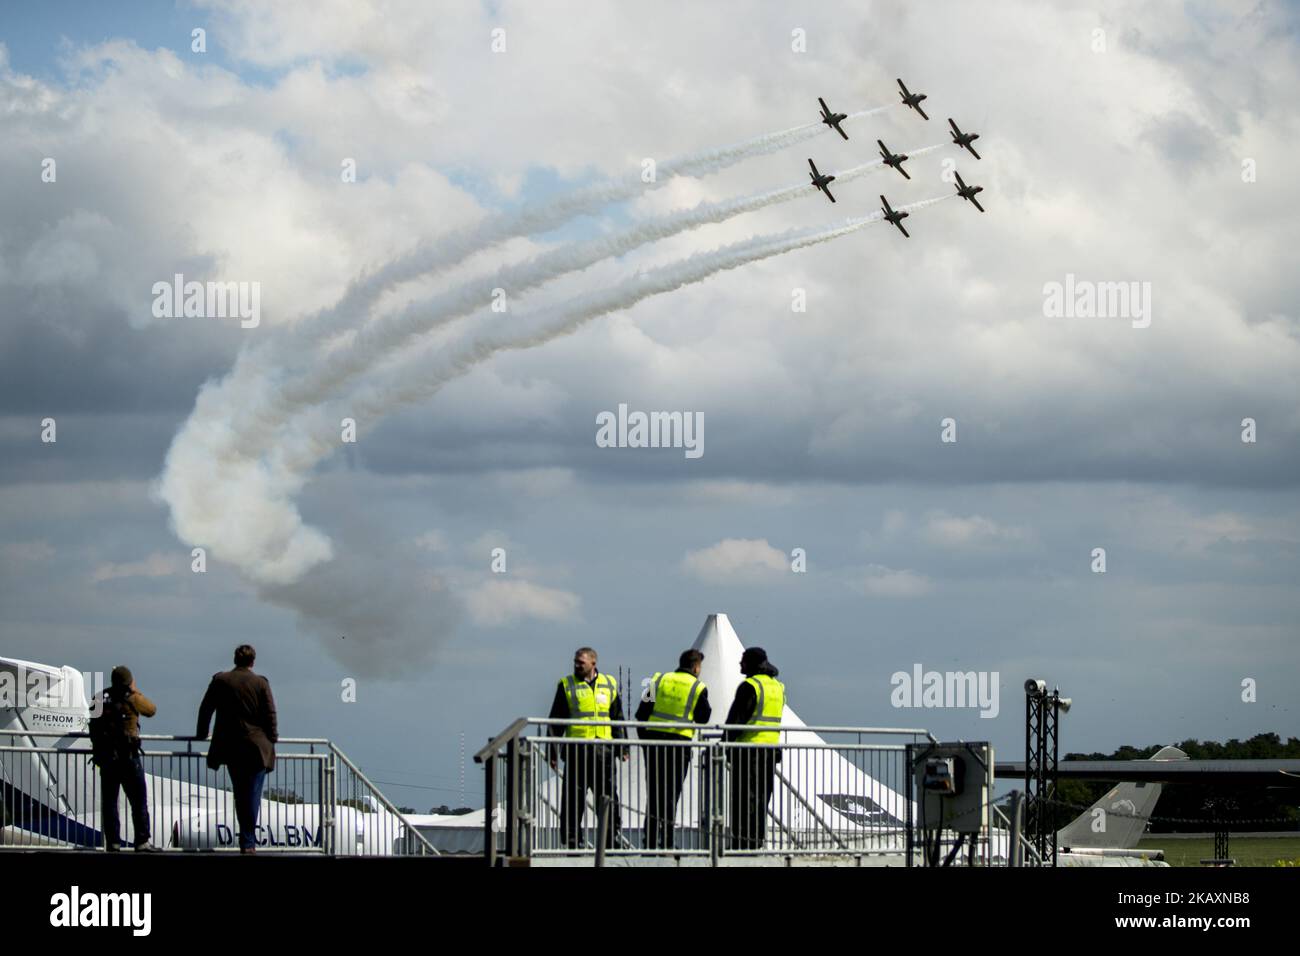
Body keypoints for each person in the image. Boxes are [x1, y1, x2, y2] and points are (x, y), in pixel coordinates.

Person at [195, 645, 278, 854]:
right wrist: (272, 738)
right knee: (253, 795)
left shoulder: (220, 680)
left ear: (235, 659)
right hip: (257, 748)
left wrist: (202, 733)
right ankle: (248, 841)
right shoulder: (260, 683)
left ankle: (247, 839)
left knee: (241, 794)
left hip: (231, 747)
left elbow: (206, 709)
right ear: (253, 662)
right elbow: (270, 713)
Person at [547, 647, 627, 849]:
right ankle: (573, 841)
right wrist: (553, 752)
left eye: (580, 662)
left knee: (608, 798)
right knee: (573, 799)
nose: (576, 665)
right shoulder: (567, 685)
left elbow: (617, 717)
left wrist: (623, 747)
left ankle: (611, 839)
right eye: (575, 661)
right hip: (577, 750)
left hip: (604, 751)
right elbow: (555, 720)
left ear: (593, 663)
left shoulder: (609, 684)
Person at [636, 649, 711, 850]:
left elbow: (641, 714)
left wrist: (646, 742)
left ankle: (649, 842)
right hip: (679, 745)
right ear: (696, 667)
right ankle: (667, 842)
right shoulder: (697, 687)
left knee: (654, 795)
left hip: (654, 744)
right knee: (671, 795)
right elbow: (704, 718)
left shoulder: (658, 680)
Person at [91, 665, 158, 852]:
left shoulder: (99, 697)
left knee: (110, 802)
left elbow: (93, 725)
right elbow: (152, 710)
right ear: (129, 681)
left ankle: (113, 842)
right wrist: (135, 690)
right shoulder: (133, 698)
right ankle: (142, 841)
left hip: (107, 758)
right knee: (138, 801)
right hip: (129, 758)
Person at [724, 647, 784, 850]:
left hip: (747, 751)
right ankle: (756, 842)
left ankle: (742, 843)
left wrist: (724, 744)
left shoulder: (750, 686)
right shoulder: (777, 687)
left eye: (743, 661)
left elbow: (735, 720)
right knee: (761, 799)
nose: (740, 664)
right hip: (769, 751)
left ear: (750, 663)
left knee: (743, 800)